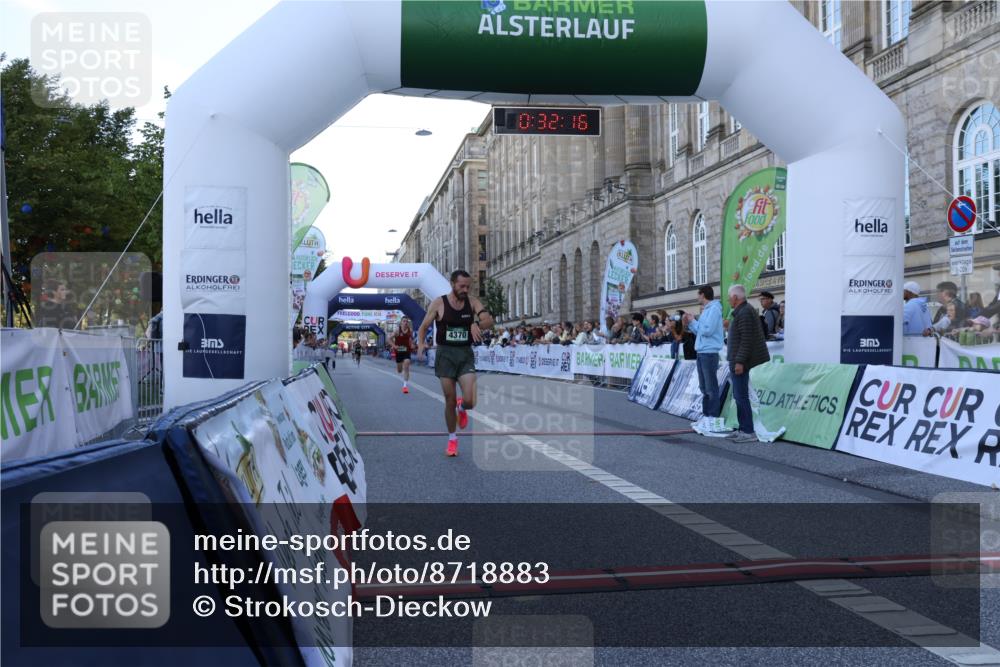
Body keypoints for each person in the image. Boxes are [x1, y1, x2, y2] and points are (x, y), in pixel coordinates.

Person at [417, 269, 493, 457]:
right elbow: (423, 327)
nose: (465, 290)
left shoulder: (472, 302)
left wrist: (477, 323)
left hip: (465, 354)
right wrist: (420, 344)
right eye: (462, 286)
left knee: (470, 400)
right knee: (449, 400)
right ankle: (452, 439)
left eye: (468, 287)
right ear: (452, 284)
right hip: (445, 355)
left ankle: (462, 407)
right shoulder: (439, 303)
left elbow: (488, 320)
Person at [726, 284, 770, 443]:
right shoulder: (742, 311)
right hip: (738, 360)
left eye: (729, 297)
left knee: (741, 396)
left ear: (735, 297)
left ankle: (747, 431)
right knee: (739, 396)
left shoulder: (744, 312)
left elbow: (746, 340)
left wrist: (739, 362)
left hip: (740, 362)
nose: (728, 300)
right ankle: (742, 428)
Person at [685, 285, 724, 432]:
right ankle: (706, 416)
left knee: (710, 387)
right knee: (704, 387)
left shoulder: (714, 309)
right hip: (702, 352)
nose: (697, 297)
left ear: (703, 295)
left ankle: (712, 417)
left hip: (709, 352)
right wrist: (691, 322)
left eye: (698, 294)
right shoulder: (707, 310)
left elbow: (707, 330)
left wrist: (693, 321)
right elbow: (700, 331)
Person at [393, 318, 416, 393]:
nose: (405, 322)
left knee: (407, 364)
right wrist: (394, 346)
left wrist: (412, 344)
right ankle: (400, 367)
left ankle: (405, 386)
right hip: (399, 351)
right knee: (399, 370)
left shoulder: (410, 330)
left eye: (407, 321)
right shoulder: (397, 330)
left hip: (407, 351)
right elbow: (389, 338)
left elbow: (411, 339)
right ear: (401, 323)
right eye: (404, 321)